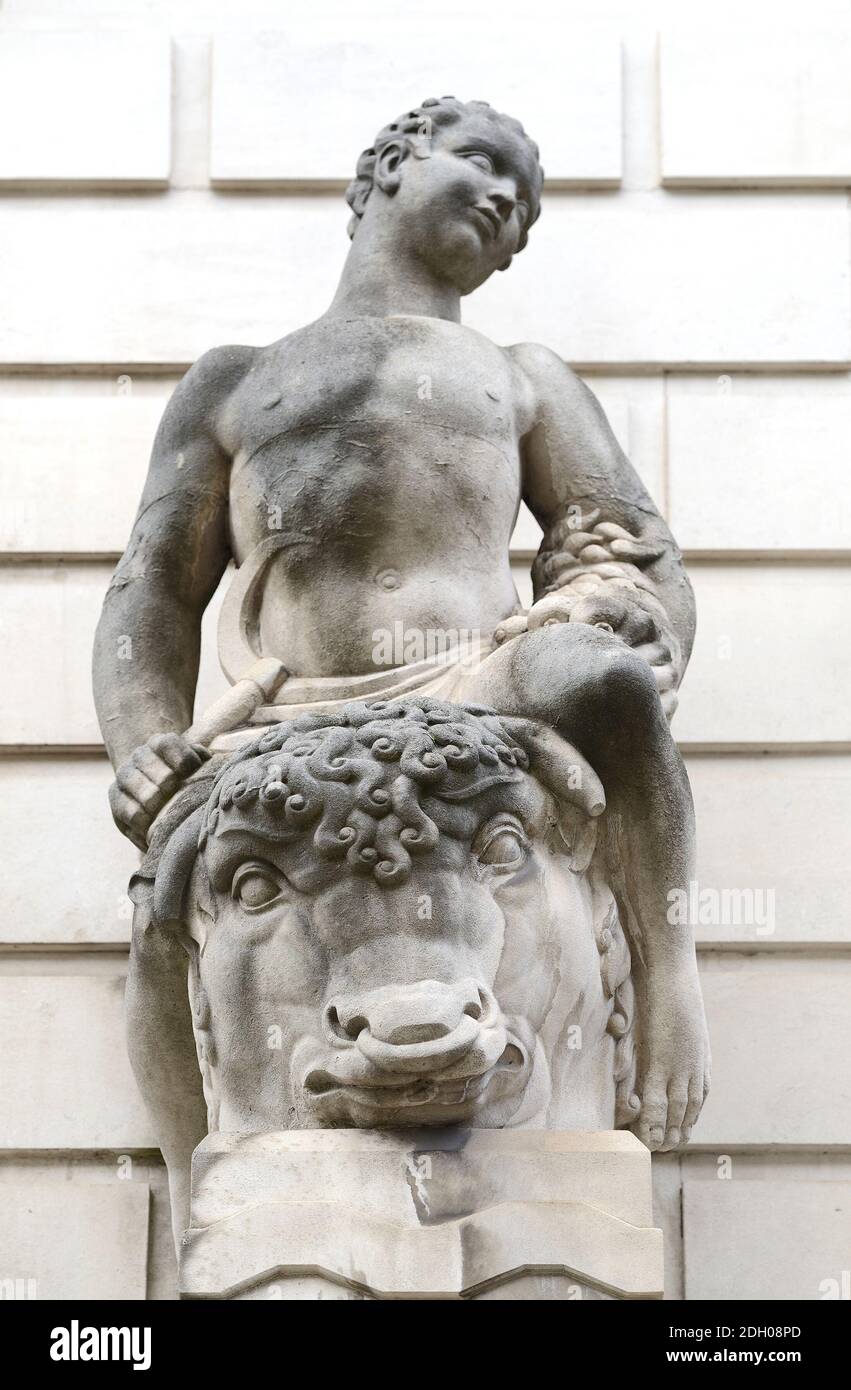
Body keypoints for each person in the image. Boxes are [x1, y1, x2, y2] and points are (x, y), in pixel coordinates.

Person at [93, 97, 709, 1150]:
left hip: (479, 675)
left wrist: (625, 614)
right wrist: (142, 737)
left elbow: (627, 542)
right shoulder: (235, 380)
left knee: (601, 684)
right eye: (485, 163)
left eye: (525, 208)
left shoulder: (522, 376)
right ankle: (200, 1170)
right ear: (391, 162)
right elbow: (150, 587)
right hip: (284, 704)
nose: (508, 202)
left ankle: (669, 982)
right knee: (161, 905)